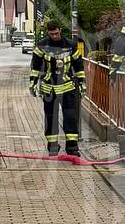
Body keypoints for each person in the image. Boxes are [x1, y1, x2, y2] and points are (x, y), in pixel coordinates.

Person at [30, 17, 85, 156]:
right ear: (48, 32)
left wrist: (82, 83)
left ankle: (72, 148)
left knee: (70, 117)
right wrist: (32, 83)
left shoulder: (71, 45)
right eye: (52, 34)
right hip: (49, 89)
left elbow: (78, 66)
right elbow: (35, 66)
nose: (54, 36)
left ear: (60, 30)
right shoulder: (41, 46)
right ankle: (52, 146)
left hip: (67, 88)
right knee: (50, 118)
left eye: (56, 33)